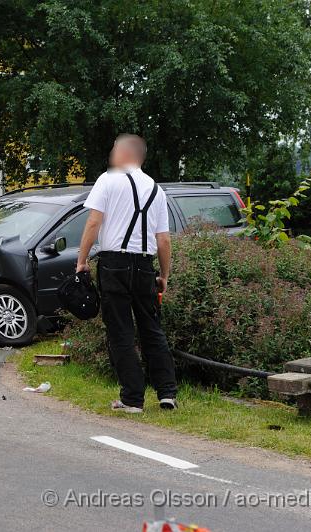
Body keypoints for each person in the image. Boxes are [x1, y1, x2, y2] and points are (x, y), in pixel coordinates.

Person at [76, 134, 177, 413]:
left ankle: (132, 398)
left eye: (113, 149)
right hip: (145, 265)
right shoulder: (157, 190)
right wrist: (164, 275)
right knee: (151, 330)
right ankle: (167, 393)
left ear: (124, 153)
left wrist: (81, 261)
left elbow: (94, 222)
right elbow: (164, 240)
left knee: (121, 331)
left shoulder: (108, 180)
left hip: (114, 263)